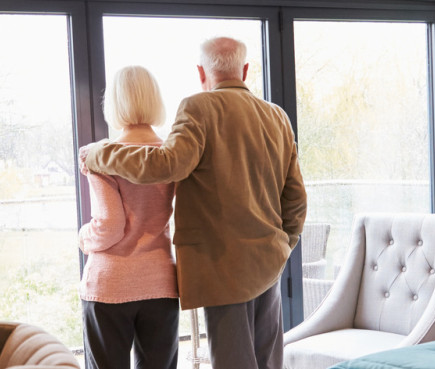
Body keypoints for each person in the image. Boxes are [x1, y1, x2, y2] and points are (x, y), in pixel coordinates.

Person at [81, 37, 307, 369]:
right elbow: (296, 199)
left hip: (223, 270)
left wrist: (100, 153)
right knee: (268, 363)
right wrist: (285, 246)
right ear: (245, 70)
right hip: (269, 264)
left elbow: (166, 165)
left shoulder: (199, 107)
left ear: (202, 72)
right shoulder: (277, 117)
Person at [78, 65, 179, 369]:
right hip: (160, 282)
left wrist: (83, 238)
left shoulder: (100, 155)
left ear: (115, 103)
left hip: (110, 285)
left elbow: (109, 226)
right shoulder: (172, 154)